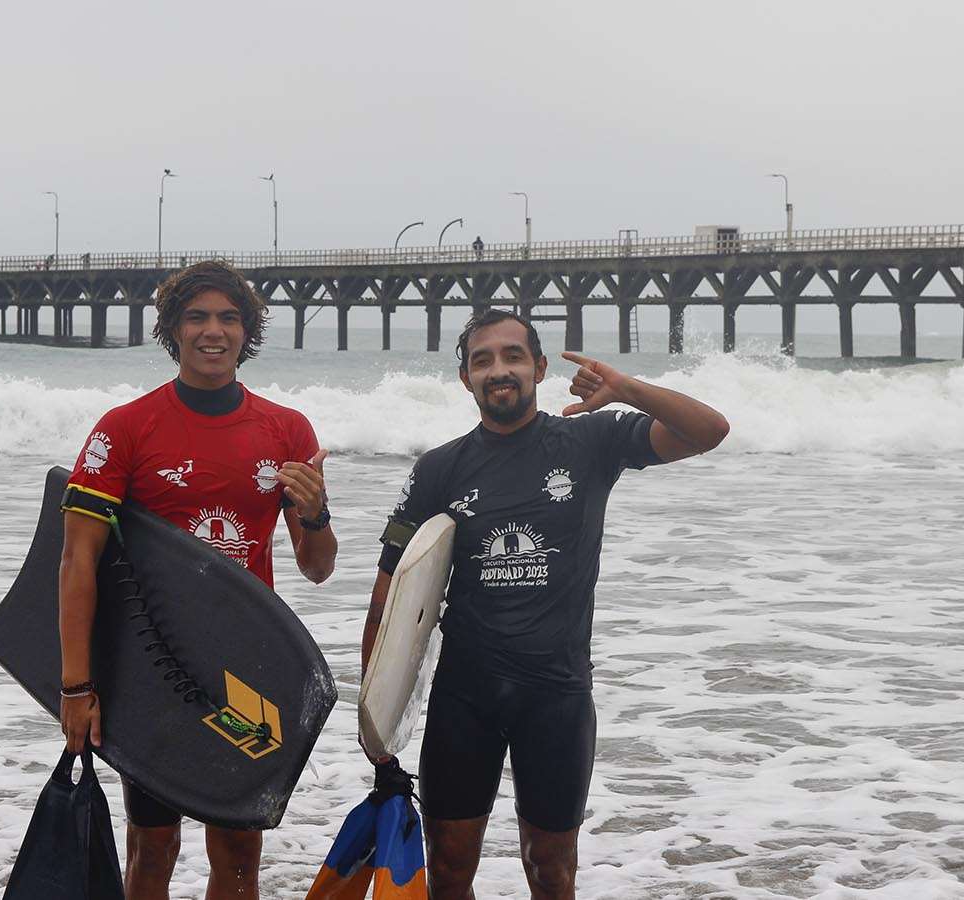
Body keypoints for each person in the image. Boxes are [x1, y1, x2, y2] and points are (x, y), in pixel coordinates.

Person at [361, 309, 728, 899]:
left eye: (511, 356)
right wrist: (375, 716)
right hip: (465, 696)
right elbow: (390, 597)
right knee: (450, 869)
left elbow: (709, 430)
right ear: (465, 379)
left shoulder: (591, 439)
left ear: (538, 367)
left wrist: (627, 388)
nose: (498, 370)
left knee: (551, 869)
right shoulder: (438, 468)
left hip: (556, 696)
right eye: (482, 360)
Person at [59, 259, 338, 899]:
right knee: (151, 849)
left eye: (229, 318)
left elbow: (318, 568)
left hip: (247, 672)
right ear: (173, 331)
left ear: (247, 332)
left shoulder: (287, 430)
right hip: (153, 669)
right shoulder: (125, 429)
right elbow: (77, 564)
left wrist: (315, 511)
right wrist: (77, 685)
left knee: (240, 852)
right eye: (198, 318)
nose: (214, 332)